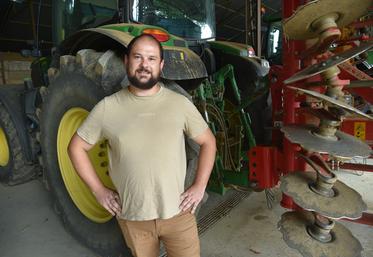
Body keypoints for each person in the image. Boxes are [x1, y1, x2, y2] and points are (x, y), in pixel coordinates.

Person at [68, 33, 216, 257]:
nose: (144, 65)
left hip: (178, 214)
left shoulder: (179, 104)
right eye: (138, 57)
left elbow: (208, 142)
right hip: (133, 218)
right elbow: (76, 147)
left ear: (161, 65)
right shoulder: (108, 107)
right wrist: (98, 191)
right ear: (127, 61)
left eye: (151, 58)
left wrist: (199, 186)